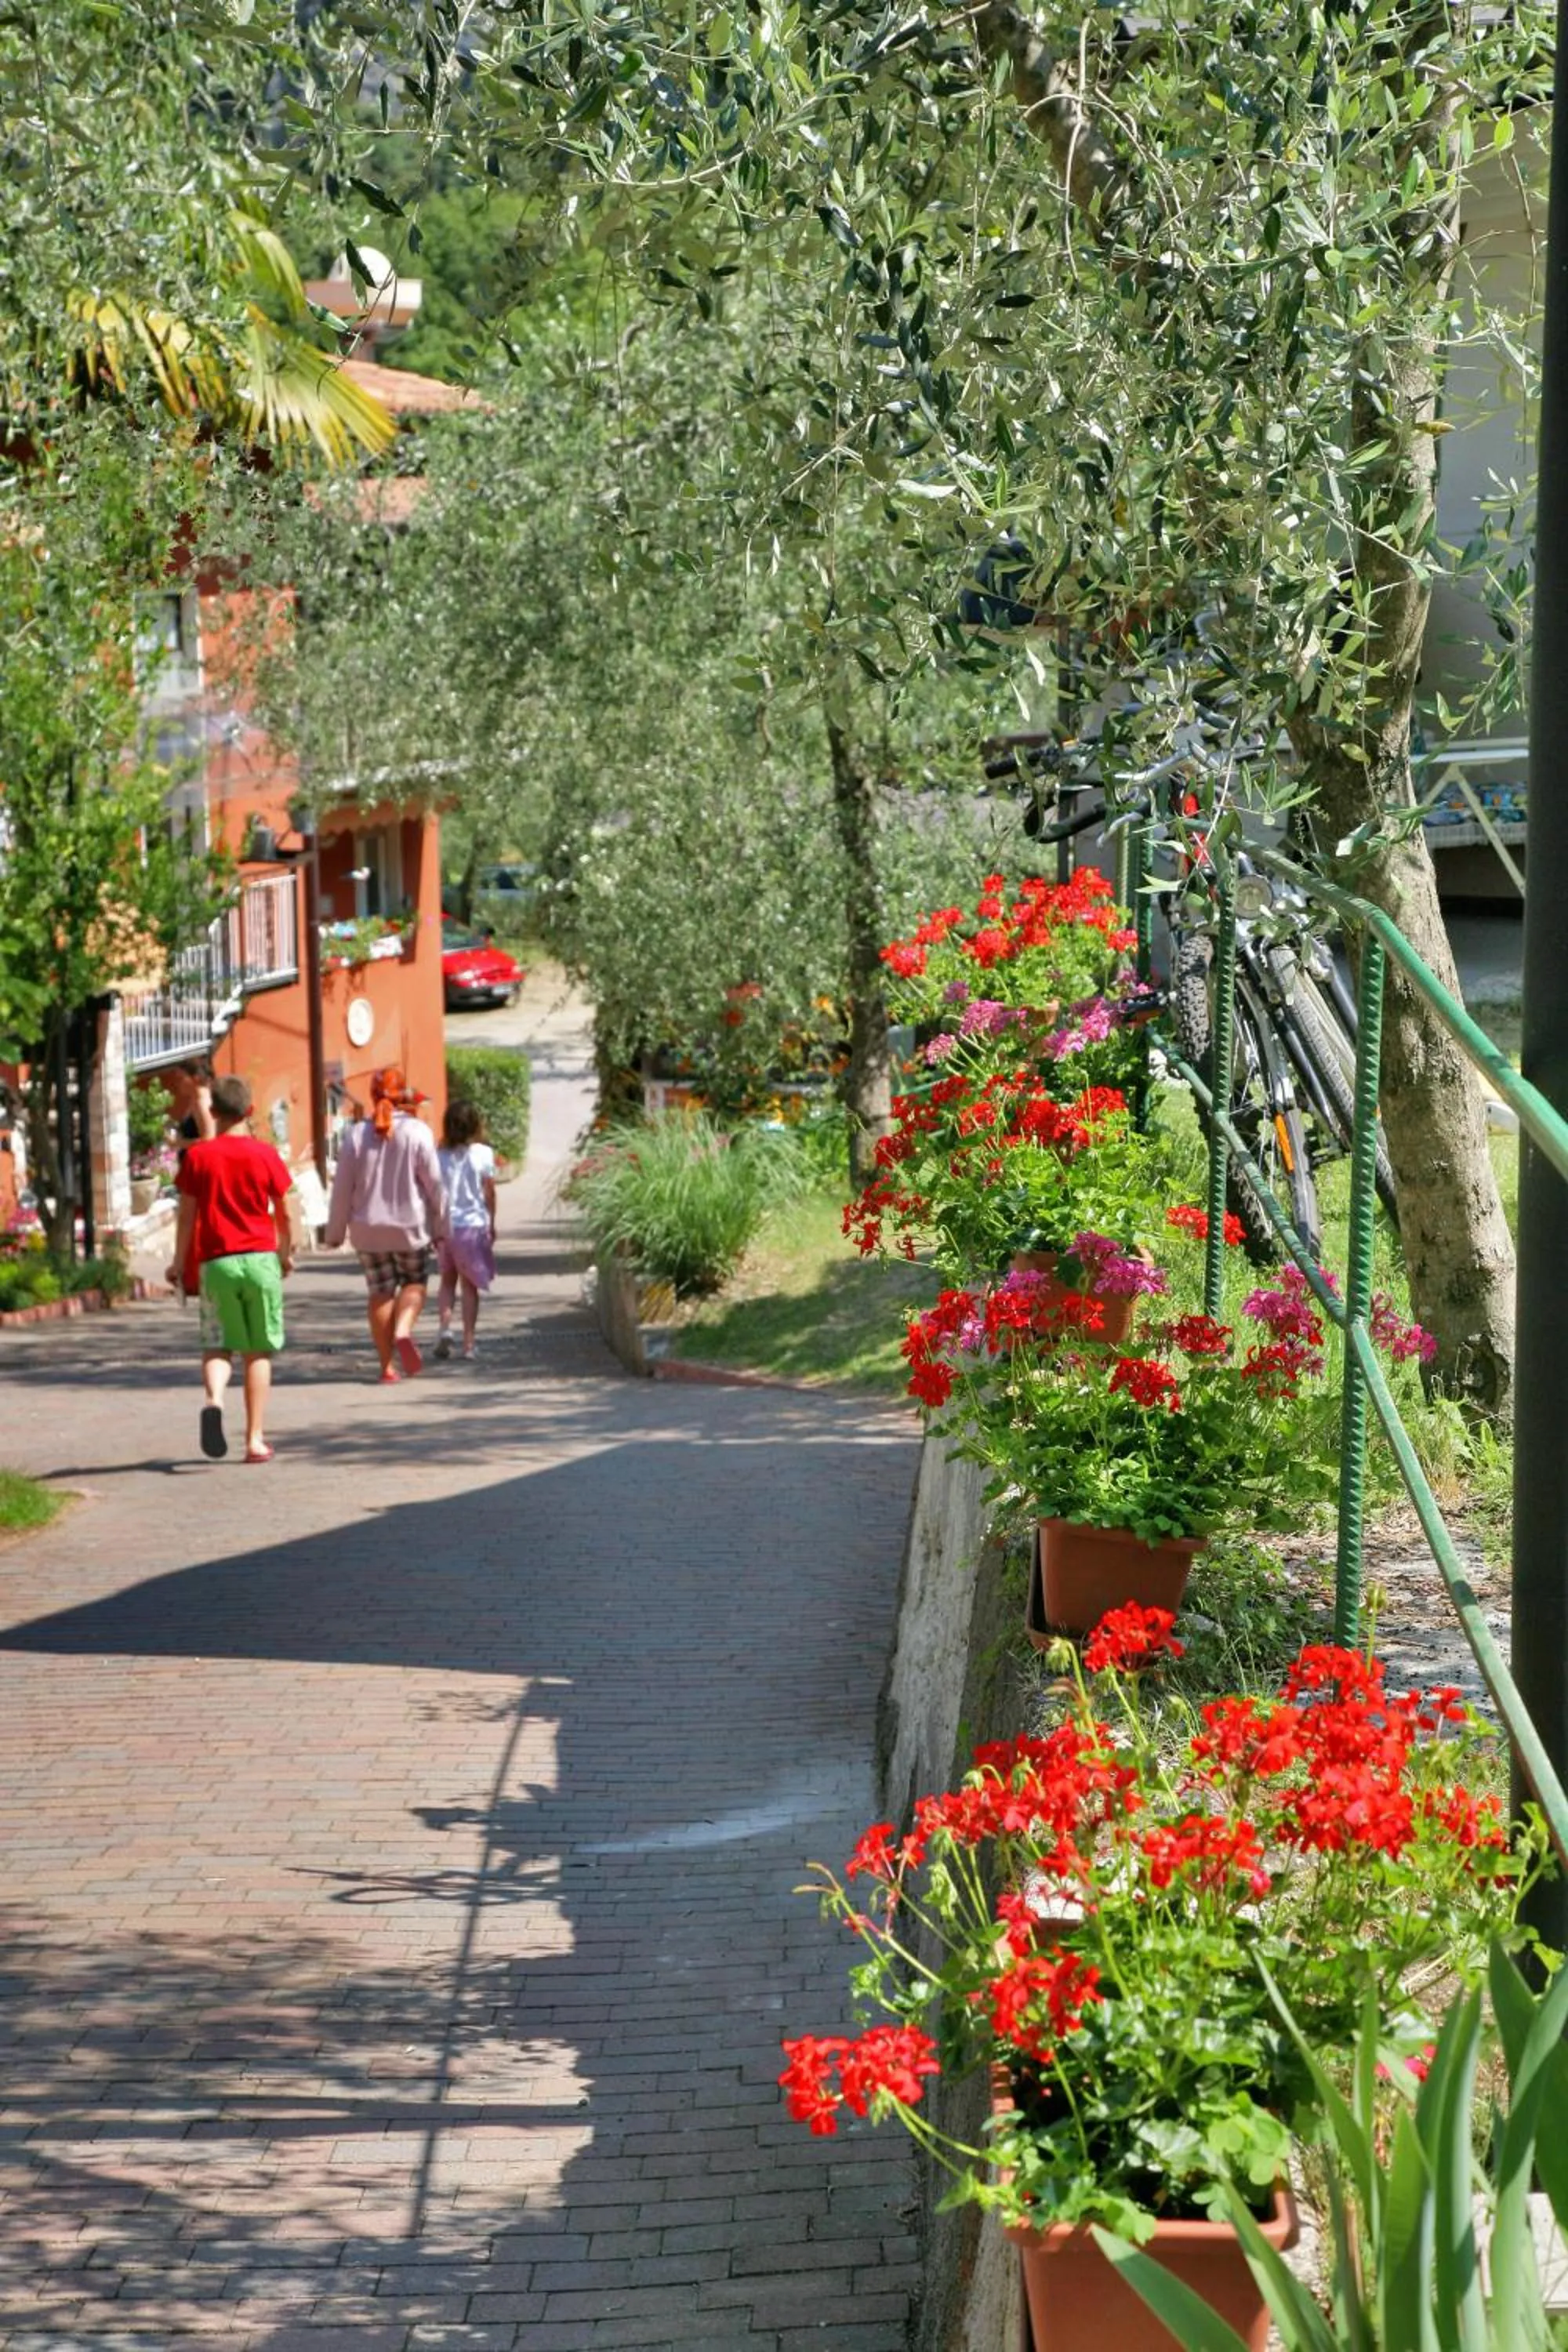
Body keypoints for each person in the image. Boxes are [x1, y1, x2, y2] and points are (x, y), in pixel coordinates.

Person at [167, 1073, 293, 1465]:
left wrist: (176, 1263)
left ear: (213, 1111)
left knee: (219, 1344)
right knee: (258, 1352)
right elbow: (286, 1211)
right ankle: (255, 1440)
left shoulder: (199, 1158)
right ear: (250, 1111)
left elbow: (186, 1217)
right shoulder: (266, 1155)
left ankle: (214, 1400)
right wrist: (286, 1252)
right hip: (259, 1259)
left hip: (216, 1263)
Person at [323, 1065, 446, 1382]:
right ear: (403, 1092)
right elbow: (435, 1186)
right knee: (415, 1283)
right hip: (410, 1228)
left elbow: (342, 1188)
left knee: (380, 1292)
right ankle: (403, 1329)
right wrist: (444, 1227)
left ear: (373, 1094)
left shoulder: (356, 1135)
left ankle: (386, 1367)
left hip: (367, 1231)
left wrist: (335, 1232)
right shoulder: (418, 1132)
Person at [434, 1098, 497, 1361]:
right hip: (472, 1226)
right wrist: (492, 1221)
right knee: (469, 1286)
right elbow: (489, 1191)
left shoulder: (439, 1155)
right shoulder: (483, 1154)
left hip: (446, 1227)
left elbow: (434, 1192)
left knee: (447, 1282)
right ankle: (469, 1344)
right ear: (475, 1124)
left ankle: (445, 1329)